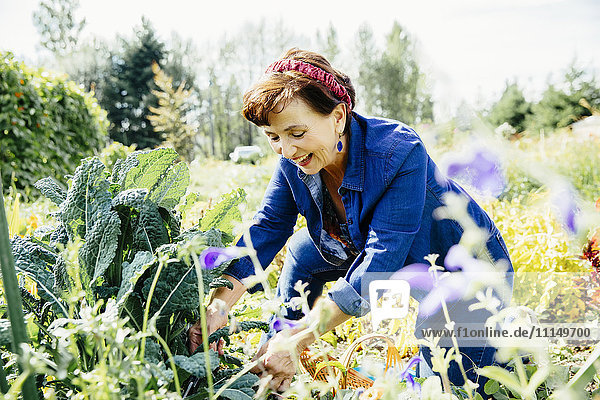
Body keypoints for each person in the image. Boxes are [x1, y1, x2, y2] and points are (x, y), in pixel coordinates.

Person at [188, 48, 513, 395]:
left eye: (296, 133)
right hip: (391, 260)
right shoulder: (294, 162)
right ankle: (275, 355)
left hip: (466, 274)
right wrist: (218, 305)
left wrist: (299, 339)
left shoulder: (399, 152)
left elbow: (380, 262)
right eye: (273, 137)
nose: (286, 149)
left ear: (338, 116)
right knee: (303, 251)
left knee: (448, 386)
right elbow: (268, 228)